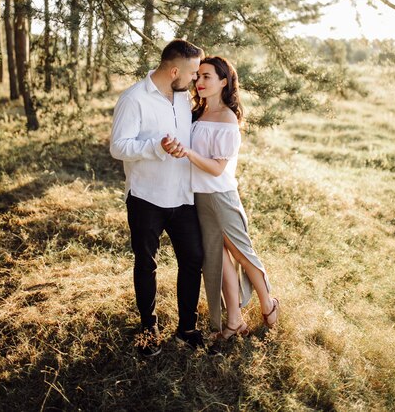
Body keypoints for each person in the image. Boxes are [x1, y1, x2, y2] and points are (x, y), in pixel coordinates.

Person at [163, 56, 280, 345]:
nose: (200, 83)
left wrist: (187, 154)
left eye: (207, 78)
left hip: (221, 197)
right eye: (198, 76)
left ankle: (268, 302)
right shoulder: (197, 113)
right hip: (199, 198)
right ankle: (234, 321)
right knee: (218, 260)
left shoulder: (228, 119)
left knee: (241, 253)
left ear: (224, 82)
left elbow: (217, 168)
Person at [110, 39, 205, 357]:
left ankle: (186, 328)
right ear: (175, 70)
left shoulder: (182, 97)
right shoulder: (134, 98)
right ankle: (148, 328)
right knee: (146, 263)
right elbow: (118, 147)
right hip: (146, 196)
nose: (195, 79)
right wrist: (155, 147)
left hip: (182, 195)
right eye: (193, 72)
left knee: (193, 259)